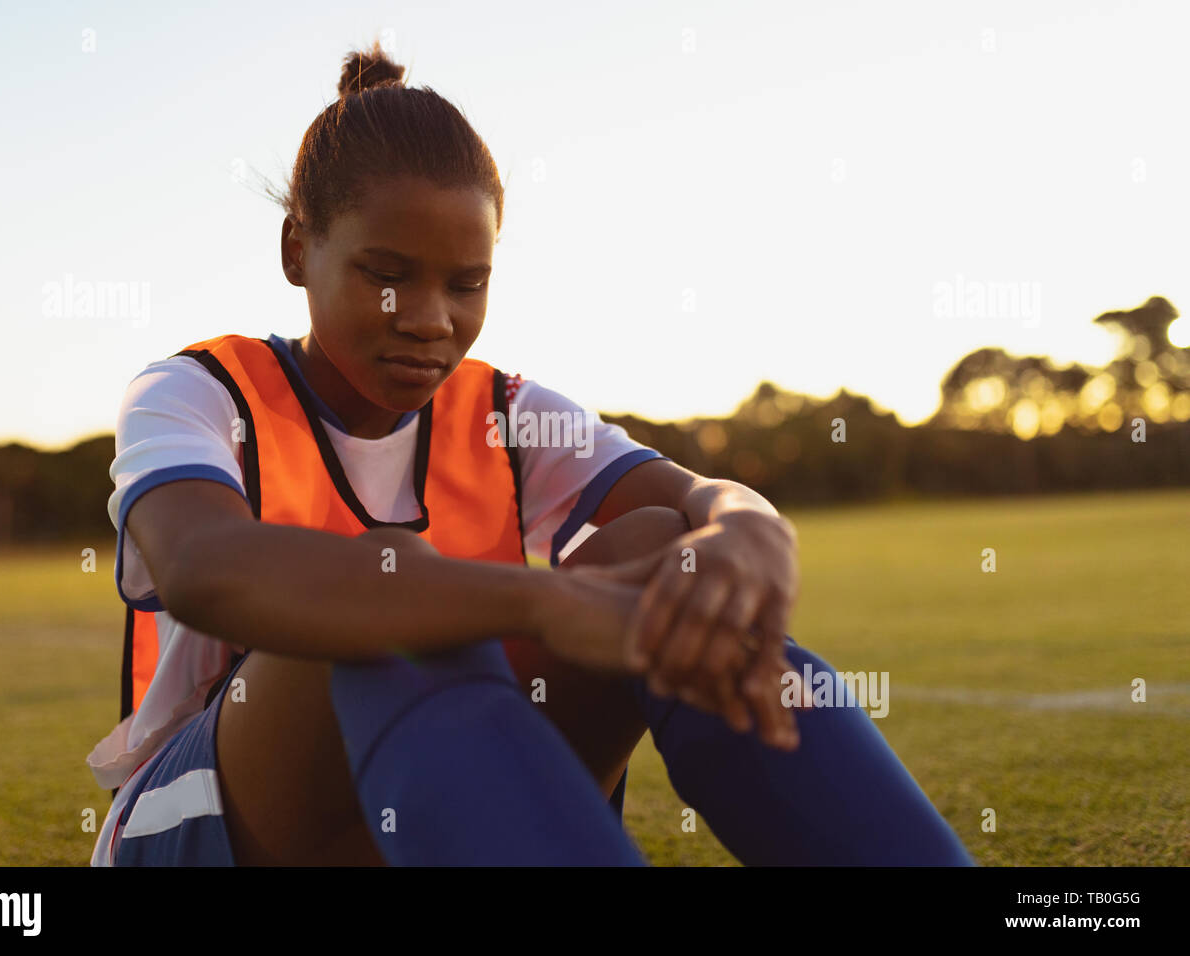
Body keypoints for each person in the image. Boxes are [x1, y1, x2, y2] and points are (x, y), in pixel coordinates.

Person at [85, 41, 975, 867]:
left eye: (465, 284)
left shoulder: (505, 411)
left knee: (660, 549)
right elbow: (205, 568)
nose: (431, 318)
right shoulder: (197, 390)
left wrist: (751, 528)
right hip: (205, 823)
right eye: (386, 275)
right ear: (297, 248)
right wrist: (545, 601)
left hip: (429, 809)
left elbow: (697, 499)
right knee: (384, 593)